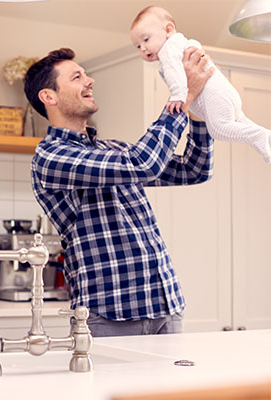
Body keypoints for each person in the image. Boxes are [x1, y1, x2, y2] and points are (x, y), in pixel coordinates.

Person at [23, 47, 214, 337]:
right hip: (109, 317)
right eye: (77, 77)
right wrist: (182, 96)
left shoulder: (113, 150)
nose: (90, 81)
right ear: (49, 96)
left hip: (165, 306)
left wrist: (198, 113)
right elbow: (143, 164)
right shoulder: (51, 157)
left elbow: (193, 169)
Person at [130, 5, 271, 163]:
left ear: (168, 30)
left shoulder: (167, 51)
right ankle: (266, 137)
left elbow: (174, 74)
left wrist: (178, 95)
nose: (143, 48)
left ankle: (260, 135)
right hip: (225, 92)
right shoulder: (182, 43)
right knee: (240, 121)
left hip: (215, 96)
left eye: (146, 39)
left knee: (218, 129)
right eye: (138, 46)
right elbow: (194, 45)